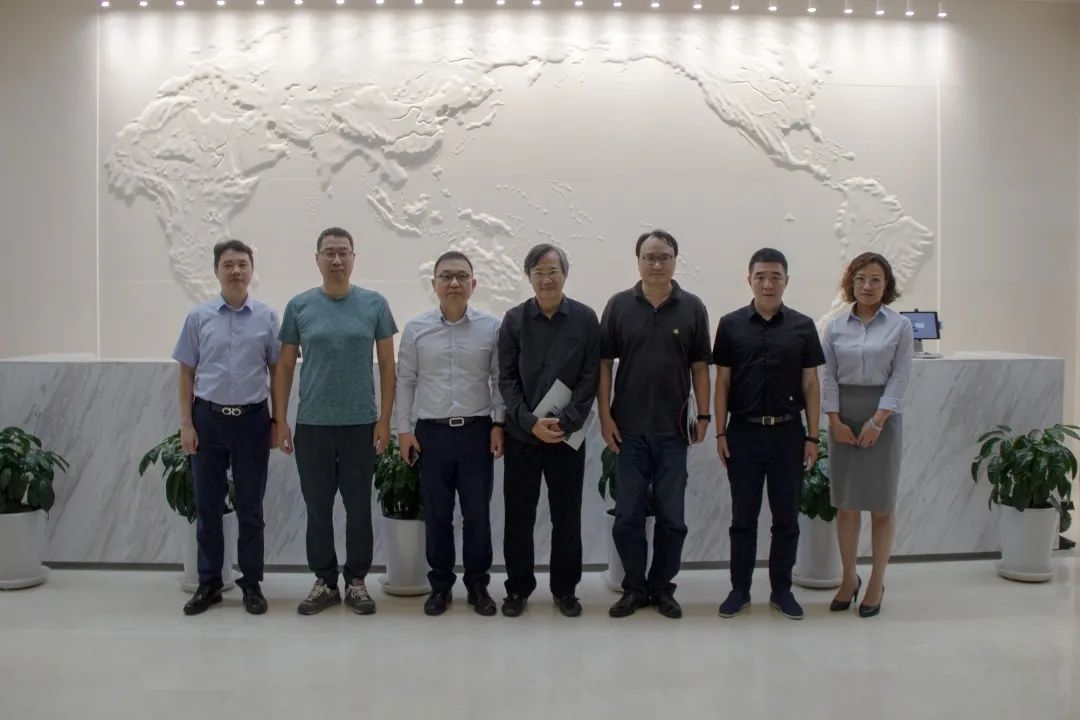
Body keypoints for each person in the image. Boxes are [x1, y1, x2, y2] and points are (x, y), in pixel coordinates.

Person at [273, 227, 397, 616]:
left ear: (354, 258)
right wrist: (281, 420)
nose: (337, 259)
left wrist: (385, 420)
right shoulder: (299, 306)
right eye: (329, 252)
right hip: (313, 426)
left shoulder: (374, 304)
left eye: (344, 252)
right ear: (317, 259)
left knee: (359, 508)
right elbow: (285, 366)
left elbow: (388, 364)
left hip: (361, 424)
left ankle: (356, 581)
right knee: (318, 508)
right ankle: (325, 582)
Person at [598, 230, 712, 620]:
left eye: (664, 256)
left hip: (673, 432)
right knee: (627, 515)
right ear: (638, 261)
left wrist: (705, 415)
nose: (656, 264)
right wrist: (605, 416)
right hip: (628, 431)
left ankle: (662, 588)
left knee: (672, 518)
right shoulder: (618, 305)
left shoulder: (692, 307)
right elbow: (604, 365)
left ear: (675, 260)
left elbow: (700, 366)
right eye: (649, 257)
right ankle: (633, 588)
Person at [713, 248, 824, 621]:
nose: (767, 283)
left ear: (786, 281)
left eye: (775, 276)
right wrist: (720, 433)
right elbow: (722, 382)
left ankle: (782, 591)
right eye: (760, 276)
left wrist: (813, 437)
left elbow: (811, 384)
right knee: (742, 519)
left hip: (788, 435)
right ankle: (739, 590)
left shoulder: (803, 327)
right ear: (749, 280)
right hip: (743, 434)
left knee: (786, 519)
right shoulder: (730, 325)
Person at [394, 251, 505, 617]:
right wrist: (403, 430)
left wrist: (499, 424)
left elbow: (498, 380)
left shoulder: (491, 328)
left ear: (474, 284)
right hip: (432, 435)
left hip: (476, 432)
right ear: (434, 284)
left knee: (477, 514)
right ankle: (440, 586)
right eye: (446, 276)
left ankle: (477, 585)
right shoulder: (416, 329)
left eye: (461, 276)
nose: (454, 282)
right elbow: (406, 380)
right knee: (438, 514)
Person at [172, 239, 279, 616]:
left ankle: (252, 584)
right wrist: (186, 424)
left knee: (251, 508)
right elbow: (186, 373)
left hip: (252, 420)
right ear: (216, 271)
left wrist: (278, 421)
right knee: (208, 506)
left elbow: (277, 371)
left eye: (242, 264)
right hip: (208, 420)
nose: (236, 270)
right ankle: (209, 583)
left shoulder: (267, 317)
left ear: (252, 270)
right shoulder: (198, 317)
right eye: (228, 264)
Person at [498, 244, 601, 618]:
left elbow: (591, 375)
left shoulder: (586, 319)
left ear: (565, 274)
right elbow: (506, 379)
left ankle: (565, 590)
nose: (546, 279)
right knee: (519, 516)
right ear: (529, 277)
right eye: (539, 272)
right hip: (523, 436)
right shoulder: (513, 320)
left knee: (566, 516)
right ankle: (517, 589)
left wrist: (566, 421)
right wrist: (529, 421)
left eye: (553, 271)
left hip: (565, 436)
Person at [821, 252, 913, 618]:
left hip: (883, 419)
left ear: (886, 284)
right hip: (843, 416)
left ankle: (876, 581)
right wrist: (834, 419)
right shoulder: (835, 327)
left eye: (875, 279)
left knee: (881, 506)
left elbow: (900, 377)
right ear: (851, 283)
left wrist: (878, 421)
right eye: (860, 279)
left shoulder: (900, 326)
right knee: (846, 505)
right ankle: (848, 578)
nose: (867, 286)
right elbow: (827, 376)